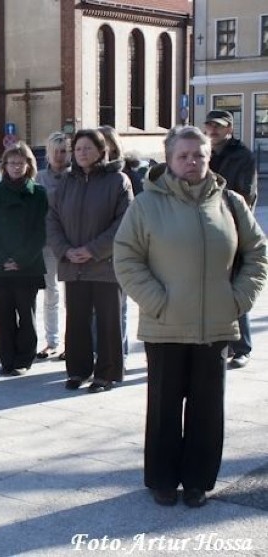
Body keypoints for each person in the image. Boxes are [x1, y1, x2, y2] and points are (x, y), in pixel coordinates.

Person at [113, 126, 267, 508]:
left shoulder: (230, 203)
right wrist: (157, 301)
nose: (191, 162)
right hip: (164, 324)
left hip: (216, 324)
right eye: (183, 156)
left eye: (199, 155)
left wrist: (238, 299)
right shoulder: (147, 204)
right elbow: (126, 257)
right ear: (169, 159)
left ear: (209, 157)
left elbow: (257, 253)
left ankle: (198, 481)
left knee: (207, 408)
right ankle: (163, 480)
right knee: (164, 408)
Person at [47, 128, 132, 393]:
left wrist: (93, 250)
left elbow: (124, 222)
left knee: (108, 322)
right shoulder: (67, 182)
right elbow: (52, 219)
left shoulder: (118, 181)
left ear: (101, 151)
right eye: (79, 149)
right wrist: (65, 250)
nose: (83, 153)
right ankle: (77, 370)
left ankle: (106, 375)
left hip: (105, 264)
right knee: (77, 321)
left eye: (88, 148)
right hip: (73, 264)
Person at [0, 142, 48, 376]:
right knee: (4, 314)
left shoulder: (39, 193)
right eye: (12, 163)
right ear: (4, 166)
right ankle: (6, 359)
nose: (16, 167)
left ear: (29, 165)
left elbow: (41, 231)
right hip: (0, 266)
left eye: (21, 163)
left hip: (27, 266)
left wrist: (20, 259)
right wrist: (1, 259)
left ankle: (23, 360)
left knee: (26, 315)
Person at [204, 109, 259, 369]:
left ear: (230, 129)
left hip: (233, 227)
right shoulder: (203, 153)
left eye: (218, 126)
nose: (212, 130)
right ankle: (220, 343)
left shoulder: (242, 156)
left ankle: (242, 347)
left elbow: (246, 195)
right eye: (209, 126)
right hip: (204, 227)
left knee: (234, 286)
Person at [35, 131, 71, 360]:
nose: (59, 156)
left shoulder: (77, 177)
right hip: (47, 243)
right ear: (48, 153)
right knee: (50, 294)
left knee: (73, 298)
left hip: (72, 242)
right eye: (55, 151)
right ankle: (51, 341)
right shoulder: (39, 179)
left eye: (64, 150)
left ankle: (72, 343)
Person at [99, 125, 132, 360]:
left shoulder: (126, 177)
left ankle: (119, 356)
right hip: (91, 256)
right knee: (93, 311)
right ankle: (95, 354)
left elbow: (131, 219)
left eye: (104, 143)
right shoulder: (84, 177)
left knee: (118, 309)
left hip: (120, 253)